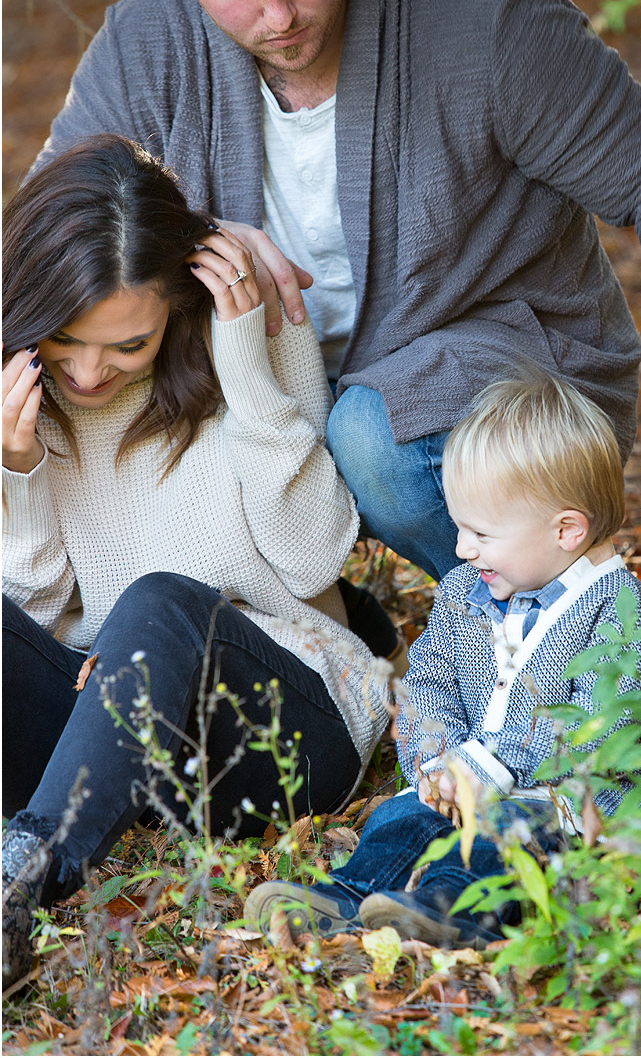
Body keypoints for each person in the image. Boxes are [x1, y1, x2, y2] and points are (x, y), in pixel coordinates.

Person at [30, 0, 641, 581]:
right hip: (262, 389)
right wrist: (193, 236)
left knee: (372, 436)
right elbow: (55, 231)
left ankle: (541, 633)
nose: (277, 13)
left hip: (504, 375)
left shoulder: (487, 23)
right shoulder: (147, 41)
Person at [1, 135, 391, 989]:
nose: (90, 371)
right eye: (65, 339)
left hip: (280, 716)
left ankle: (22, 890)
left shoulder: (244, 330)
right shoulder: (21, 391)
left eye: (127, 346)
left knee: (159, 601)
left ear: (173, 312)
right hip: (105, 737)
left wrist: (248, 367)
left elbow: (312, 556)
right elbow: (32, 635)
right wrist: (19, 473)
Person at [243, 370, 641, 948]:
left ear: (566, 530)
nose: (461, 550)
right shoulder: (465, 589)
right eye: (459, 526)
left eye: (479, 533)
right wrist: (439, 764)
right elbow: (429, 682)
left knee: (503, 839)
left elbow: (594, 727)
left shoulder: (613, 609)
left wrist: (487, 770)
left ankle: (449, 910)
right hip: (462, 772)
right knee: (397, 820)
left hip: (555, 796)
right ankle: (349, 896)